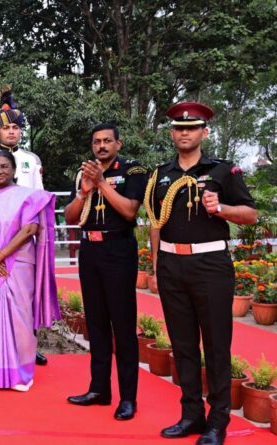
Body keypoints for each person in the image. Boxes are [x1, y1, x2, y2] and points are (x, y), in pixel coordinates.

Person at [146, 102, 257, 445]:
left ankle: (217, 421)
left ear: (203, 132)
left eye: (191, 128)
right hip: (170, 266)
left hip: (210, 267)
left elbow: (250, 214)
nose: (184, 133)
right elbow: (155, 220)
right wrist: (154, 265)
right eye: (179, 128)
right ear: (171, 133)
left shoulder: (224, 171)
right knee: (182, 345)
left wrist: (220, 208)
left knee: (216, 344)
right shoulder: (161, 173)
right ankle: (191, 414)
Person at [63, 122, 147, 420]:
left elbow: (129, 211)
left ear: (118, 144)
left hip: (118, 251)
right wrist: (84, 192)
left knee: (122, 326)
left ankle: (128, 398)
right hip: (90, 251)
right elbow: (71, 217)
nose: (101, 146)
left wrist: (101, 183)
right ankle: (99, 389)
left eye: (107, 141)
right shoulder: (83, 172)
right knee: (95, 323)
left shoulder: (132, 171)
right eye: (96, 141)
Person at [0, 150, 59, 390]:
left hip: (17, 265)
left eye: (4, 167)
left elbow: (29, 230)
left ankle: (21, 374)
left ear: (14, 170)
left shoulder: (28, 197)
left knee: (19, 317)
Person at [0, 89, 49, 366]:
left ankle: (28, 344)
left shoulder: (32, 160)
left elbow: (39, 199)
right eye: (6, 127)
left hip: (24, 236)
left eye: (16, 127)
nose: (12, 132)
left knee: (25, 296)